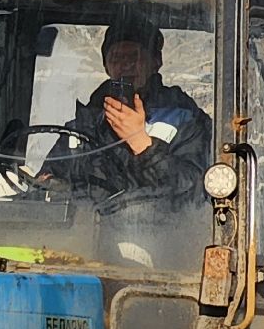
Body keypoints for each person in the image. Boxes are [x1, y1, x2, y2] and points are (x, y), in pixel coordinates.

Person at [40, 17, 212, 200]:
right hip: (86, 226)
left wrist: (142, 144)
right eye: (117, 58)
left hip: (163, 227)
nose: (125, 65)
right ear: (106, 66)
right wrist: (48, 185)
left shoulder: (186, 121)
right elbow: (46, 185)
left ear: (155, 62)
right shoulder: (83, 127)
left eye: (134, 57)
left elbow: (197, 193)